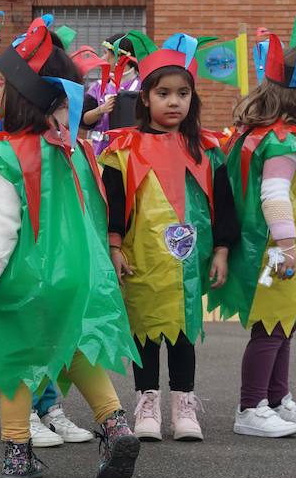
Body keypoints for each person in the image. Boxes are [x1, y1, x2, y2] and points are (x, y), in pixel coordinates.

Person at [0, 19, 141, 478]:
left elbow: (1, 225)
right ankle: (114, 422)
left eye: (2, 88)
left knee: (15, 357)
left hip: (22, 278)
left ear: (22, 99)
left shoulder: (6, 155)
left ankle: (17, 453)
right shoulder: (76, 150)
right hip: (76, 276)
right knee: (80, 348)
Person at [99, 34, 239, 443]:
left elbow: (224, 205)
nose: (174, 102)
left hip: (188, 261)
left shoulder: (207, 149)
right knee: (145, 328)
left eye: (183, 93)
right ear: (145, 98)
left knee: (182, 329)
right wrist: (114, 245)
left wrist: (222, 250)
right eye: (163, 93)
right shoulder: (124, 148)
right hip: (142, 256)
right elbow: (114, 200)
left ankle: (184, 403)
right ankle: (146, 401)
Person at [211, 13, 296, 439]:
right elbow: (273, 194)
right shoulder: (285, 140)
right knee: (270, 325)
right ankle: (251, 407)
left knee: (284, 321)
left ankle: (277, 398)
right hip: (276, 245)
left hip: (278, 244)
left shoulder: (265, 133)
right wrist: (286, 243)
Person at [85, 32, 150, 154]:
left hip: (133, 155)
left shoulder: (144, 87)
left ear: (120, 58)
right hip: (100, 154)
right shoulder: (98, 87)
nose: (102, 59)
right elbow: (84, 121)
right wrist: (101, 110)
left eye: (105, 53)